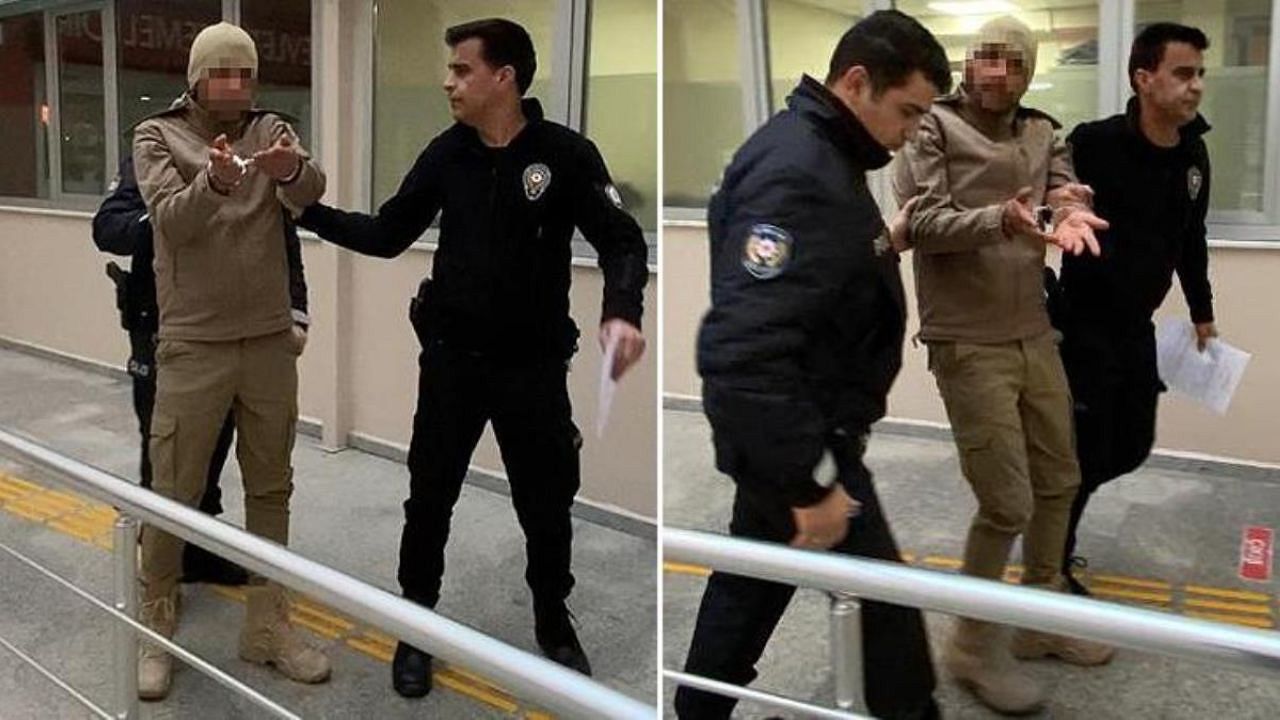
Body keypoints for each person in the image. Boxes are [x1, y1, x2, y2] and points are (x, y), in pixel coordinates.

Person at [296, 18, 648, 697]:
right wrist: (306, 210)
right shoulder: (446, 155)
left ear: (503, 77)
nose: (448, 82)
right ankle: (416, 623)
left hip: (533, 367)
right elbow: (388, 233)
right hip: (452, 363)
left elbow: (622, 239)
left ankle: (552, 616)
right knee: (429, 498)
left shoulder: (565, 154)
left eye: (462, 70)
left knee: (546, 503)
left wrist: (622, 310)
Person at [674, 12, 952, 720]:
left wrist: (879, 244)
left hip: (788, 431)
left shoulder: (821, 152)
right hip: (801, 438)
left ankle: (698, 709)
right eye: (908, 111)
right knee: (887, 626)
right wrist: (814, 481)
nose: (912, 132)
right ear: (856, 82)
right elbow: (743, 351)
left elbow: (814, 275)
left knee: (753, 578)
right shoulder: (799, 170)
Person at [892, 15, 1116, 715]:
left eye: (1014, 62)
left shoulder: (1043, 130)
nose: (997, 72)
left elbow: (1064, 187)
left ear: (1028, 71)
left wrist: (1071, 206)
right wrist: (1005, 219)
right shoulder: (932, 126)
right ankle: (970, 644)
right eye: (986, 57)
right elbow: (921, 223)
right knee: (1006, 503)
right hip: (967, 341)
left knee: (1059, 481)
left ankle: (1039, 619)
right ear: (968, 60)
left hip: (1033, 332)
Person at [131, 21, 329, 699]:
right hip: (194, 341)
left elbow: (310, 193)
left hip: (268, 340)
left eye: (245, 75)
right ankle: (156, 622)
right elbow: (170, 221)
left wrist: (291, 170)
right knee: (175, 488)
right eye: (223, 74)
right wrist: (214, 183)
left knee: (272, 486)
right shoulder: (157, 135)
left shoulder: (271, 127)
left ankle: (267, 625)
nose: (237, 88)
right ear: (196, 79)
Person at [93, 150, 313, 587]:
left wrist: (297, 314)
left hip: (239, 337)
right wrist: (179, 212)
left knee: (216, 443)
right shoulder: (155, 154)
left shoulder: (251, 161)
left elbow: (284, 243)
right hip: (166, 333)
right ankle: (159, 568)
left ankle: (196, 549)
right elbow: (109, 228)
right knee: (168, 455)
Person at [1055, 23, 1217, 595]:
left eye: (1200, 74)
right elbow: (1051, 202)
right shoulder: (1094, 144)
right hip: (1082, 325)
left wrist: (1202, 310)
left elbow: (1191, 238)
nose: (1196, 86)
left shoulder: (1193, 153)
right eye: (1183, 73)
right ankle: (1052, 562)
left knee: (1131, 444)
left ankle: (1050, 514)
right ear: (1144, 79)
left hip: (1134, 328)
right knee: (1084, 451)